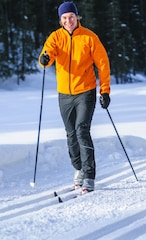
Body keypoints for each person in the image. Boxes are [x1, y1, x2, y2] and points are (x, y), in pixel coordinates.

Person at [38, 1, 111, 194]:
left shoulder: (89, 37)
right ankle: (78, 168)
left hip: (85, 92)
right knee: (71, 134)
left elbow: (103, 64)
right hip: (64, 94)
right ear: (60, 20)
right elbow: (47, 55)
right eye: (64, 18)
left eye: (71, 17)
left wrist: (105, 91)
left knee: (81, 130)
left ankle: (89, 176)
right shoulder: (55, 37)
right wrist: (44, 59)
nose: (68, 21)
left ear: (77, 17)